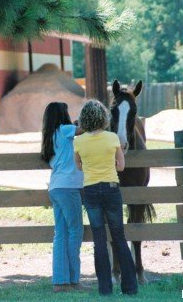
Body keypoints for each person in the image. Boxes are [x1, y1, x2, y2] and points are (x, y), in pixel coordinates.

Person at [73, 99, 138, 296]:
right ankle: (130, 287)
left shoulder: (78, 141)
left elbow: (78, 166)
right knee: (119, 237)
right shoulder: (111, 138)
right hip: (111, 188)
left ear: (84, 119)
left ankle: (105, 288)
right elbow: (121, 166)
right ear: (103, 117)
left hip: (91, 191)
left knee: (99, 240)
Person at [41, 102, 89, 293]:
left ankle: (60, 282)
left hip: (55, 187)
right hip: (69, 187)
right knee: (75, 232)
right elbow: (84, 129)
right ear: (62, 115)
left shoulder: (50, 136)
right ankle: (74, 280)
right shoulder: (65, 129)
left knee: (60, 234)